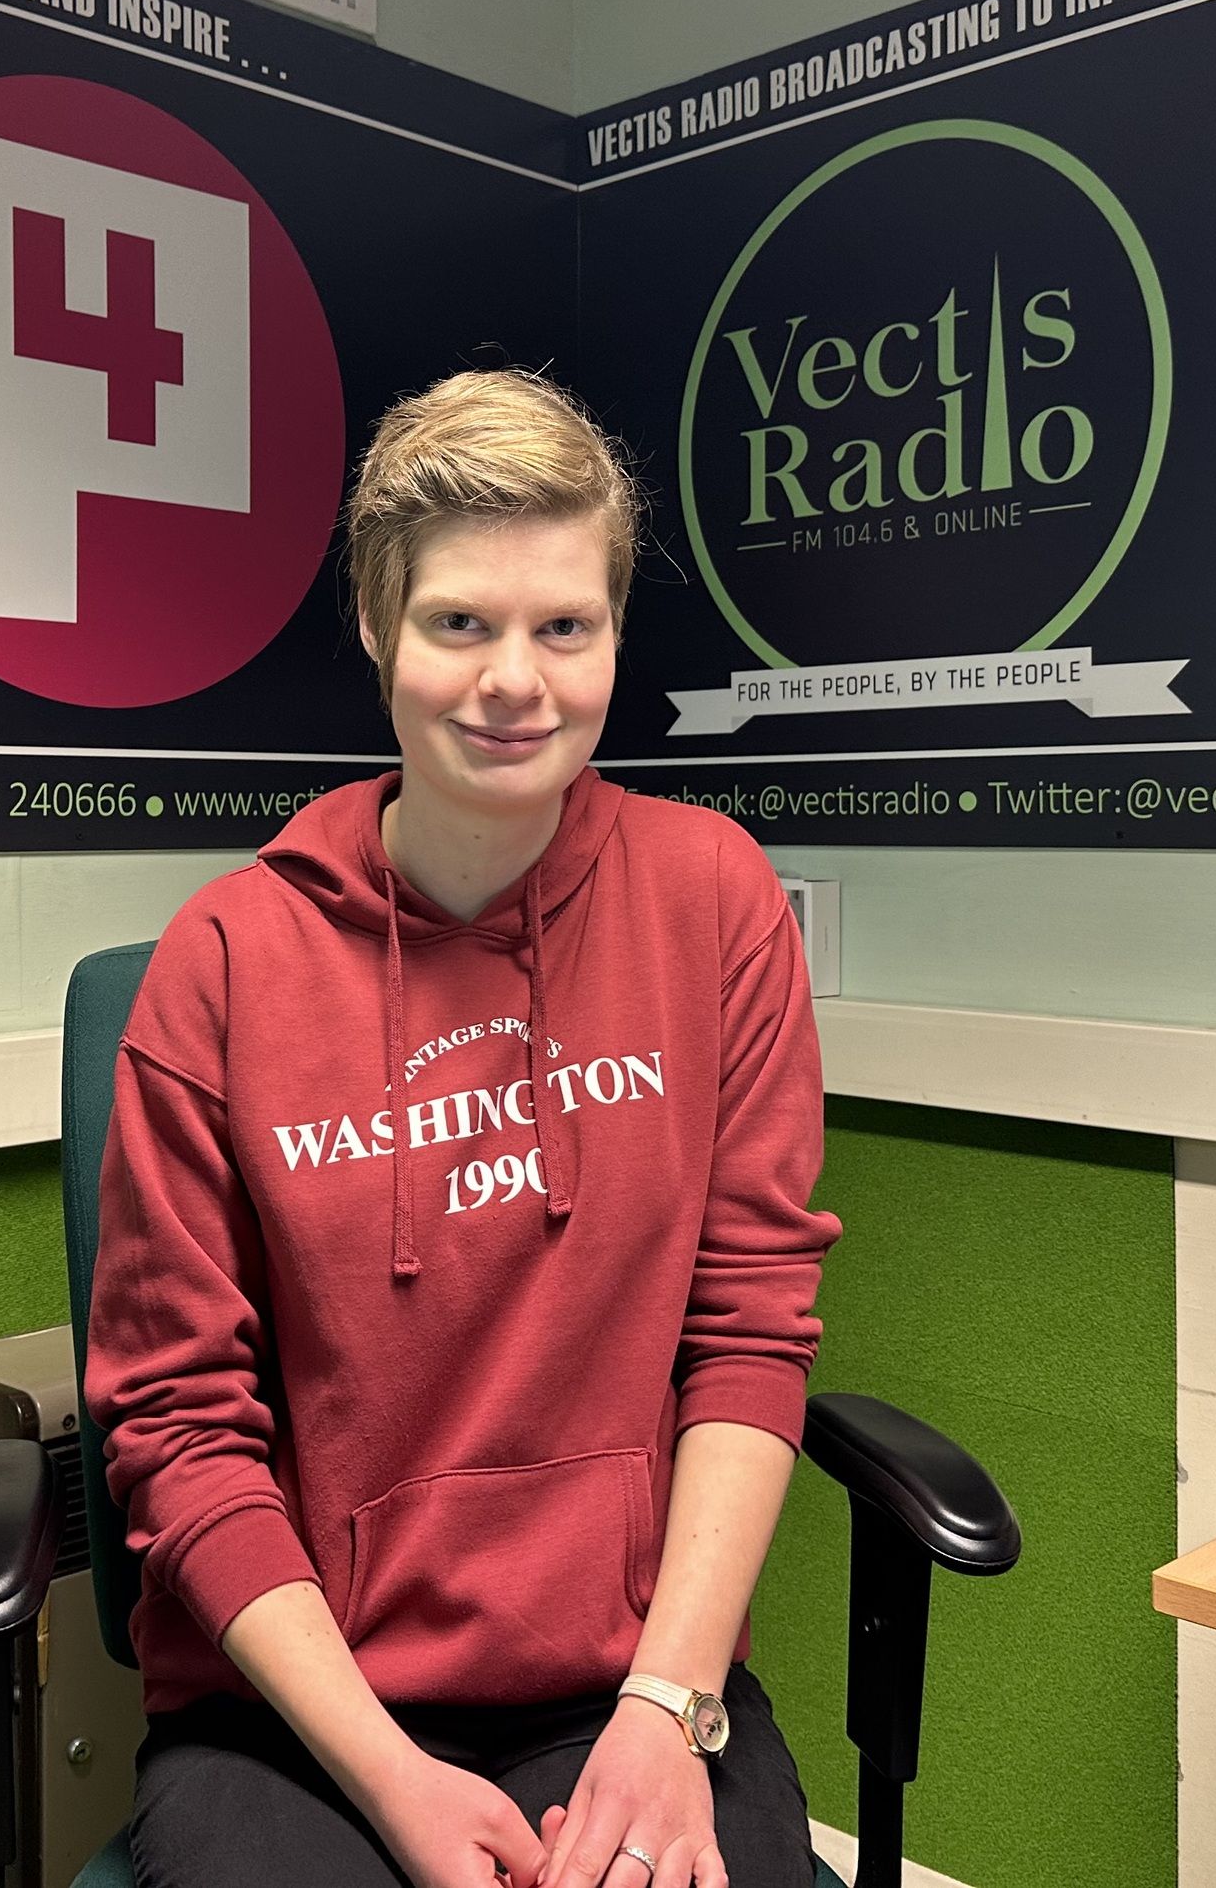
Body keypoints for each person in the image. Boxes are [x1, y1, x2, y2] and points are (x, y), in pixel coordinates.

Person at [85, 371, 839, 1888]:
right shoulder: (223, 966)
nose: (516, 681)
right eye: (460, 623)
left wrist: (668, 1710)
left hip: (624, 1682)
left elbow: (752, 1327)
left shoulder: (713, 900)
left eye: (566, 626)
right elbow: (177, 1426)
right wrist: (394, 1780)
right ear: (379, 626)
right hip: (297, 1711)